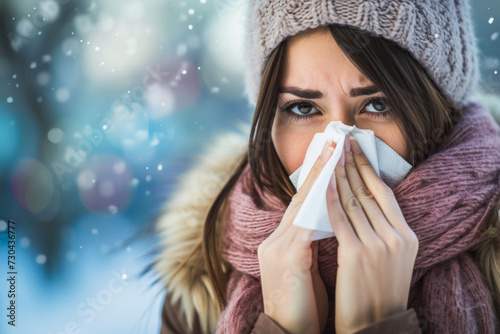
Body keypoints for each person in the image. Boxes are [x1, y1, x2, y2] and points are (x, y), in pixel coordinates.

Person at [153, 0, 500, 333]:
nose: (340, 143)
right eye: (303, 108)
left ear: (442, 112)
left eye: (378, 104)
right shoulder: (206, 278)